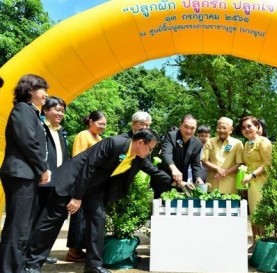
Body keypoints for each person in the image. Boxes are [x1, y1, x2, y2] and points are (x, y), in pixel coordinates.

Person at [23, 129, 174, 273]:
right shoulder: (113, 143)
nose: (150, 152)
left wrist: (177, 183)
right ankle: (31, 264)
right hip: (72, 182)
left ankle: (93, 266)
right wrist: (77, 197)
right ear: (140, 142)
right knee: (51, 222)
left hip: (93, 189)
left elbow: (154, 171)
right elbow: (88, 167)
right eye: (150, 148)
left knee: (98, 220)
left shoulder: (138, 158)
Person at [0, 74, 52, 273]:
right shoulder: (22, 110)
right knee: (17, 227)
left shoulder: (32, 112)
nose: (46, 95)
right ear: (30, 90)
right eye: (43, 89)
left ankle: (16, 266)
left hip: (27, 176)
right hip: (20, 174)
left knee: (23, 227)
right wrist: (43, 168)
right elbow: (29, 142)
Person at [66, 110, 107, 263]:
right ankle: (73, 250)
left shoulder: (100, 138)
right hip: (81, 180)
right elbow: (78, 159)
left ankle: (80, 248)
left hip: (93, 182)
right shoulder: (83, 135)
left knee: (86, 217)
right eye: (99, 123)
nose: (102, 127)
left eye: (104, 124)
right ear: (90, 121)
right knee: (78, 216)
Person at [37, 96, 69, 265]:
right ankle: (31, 255)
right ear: (45, 110)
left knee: (49, 221)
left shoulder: (60, 131)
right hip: (42, 181)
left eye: (62, 111)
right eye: (57, 109)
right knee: (37, 220)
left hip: (57, 182)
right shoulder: (40, 127)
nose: (60, 113)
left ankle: (43, 253)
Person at [240, 116, 272, 251]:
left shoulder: (263, 141)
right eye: (243, 127)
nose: (246, 129)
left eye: (249, 126)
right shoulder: (247, 144)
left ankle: (264, 245)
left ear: (257, 127)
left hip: (261, 181)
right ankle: (255, 242)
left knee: (261, 213)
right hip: (250, 182)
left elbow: (268, 163)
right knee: (253, 214)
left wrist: (252, 175)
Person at [159, 114, 204, 197]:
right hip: (165, 178)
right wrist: (173, 168)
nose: (189, 131)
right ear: (180, 125)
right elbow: (166, 153)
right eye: (186, 127)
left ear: (196, 128)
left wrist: (198, 178)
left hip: (182, 182)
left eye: (192, 128)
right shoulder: (171, 136)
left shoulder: (198, 143)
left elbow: (196, 164)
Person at [202, 117, 244, 194]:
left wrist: (225, 172)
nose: (221, 130)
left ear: (231, 130)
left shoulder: (237, 143)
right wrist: (217, 169)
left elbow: (239, 163)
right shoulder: (210, 142)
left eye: (224, 128)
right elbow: (204, 161)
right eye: (219, 128)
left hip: (230, 186)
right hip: (212, 185)